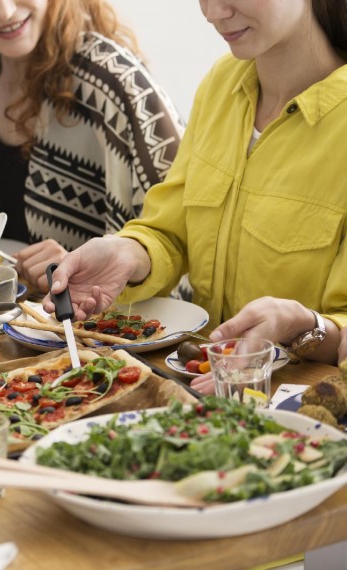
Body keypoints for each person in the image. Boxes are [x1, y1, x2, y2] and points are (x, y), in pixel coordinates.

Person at [42, 0, 347, 390]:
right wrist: (127, 253)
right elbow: (170, 233)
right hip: (197, 391)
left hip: (296, 415)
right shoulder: (221, 85)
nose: (213, 13)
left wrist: (305, 326)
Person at [0, 0, 183, 290]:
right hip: (21, 327)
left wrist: (79, 265)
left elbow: (178, 234)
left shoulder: (114, 81)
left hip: (107, 327)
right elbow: (4, 221)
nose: (5, 11)